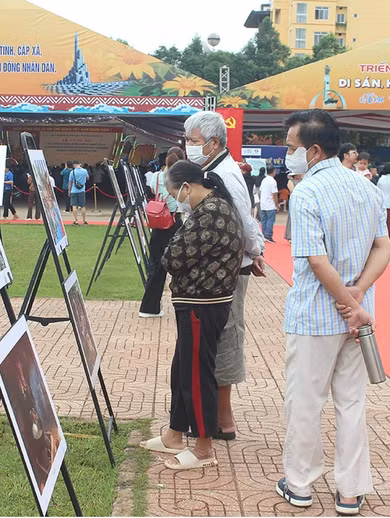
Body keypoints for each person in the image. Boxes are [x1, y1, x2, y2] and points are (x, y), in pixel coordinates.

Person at [277, 109, 390, 516]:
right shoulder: (366, 187)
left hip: (316, 317)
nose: (287, 154)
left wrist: (347, 301)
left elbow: (317, 262)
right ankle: (350, 491)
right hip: (357, 318)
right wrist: (358, 299)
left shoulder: (307, 191)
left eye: (291, 147)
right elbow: (383, 248)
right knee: (351, 402)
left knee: (305, 401)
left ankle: (301, 484)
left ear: (314, 150)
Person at [139, 159, 243, 470]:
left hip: (203, 303)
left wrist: (171, 251)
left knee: (197, 376)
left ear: (187, 186)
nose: (173, 199)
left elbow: (172, 256)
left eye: (174, 192)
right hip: (197, 301)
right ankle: (175, 434)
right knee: (183, 371)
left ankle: (203, 447)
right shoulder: (212, 208)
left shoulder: (211, 212)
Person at [182, 110, 265, 442]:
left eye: (193, 141)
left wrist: (255, 251)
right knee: (215, 338)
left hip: (226, 270)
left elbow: (243, 219)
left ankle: (223, 419)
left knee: (226, 336)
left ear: (213, 143)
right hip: (217, 268)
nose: (188, 146)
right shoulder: (211, 169)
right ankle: (213, 415)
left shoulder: (226, 175)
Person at [139, 147, 184, 318]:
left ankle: (149, 306)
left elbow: (152, 191)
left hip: (158, 222)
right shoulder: (181, 178)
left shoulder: (156, 176)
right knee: (180, 264)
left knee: (155, 266)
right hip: (174, 222)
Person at [259, 166, 278, 243]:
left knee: (264, 220)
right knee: (270, 220)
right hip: (270, 204)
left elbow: (260, 191)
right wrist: (276, 205)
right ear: (273, 171)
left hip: (263, 203)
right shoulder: (272, 181)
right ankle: (268, 235)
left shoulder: (264, 180)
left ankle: (263, 234)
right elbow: (274, 194)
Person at [283, 171, 304, 242]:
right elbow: (292, 190)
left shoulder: (303, 181)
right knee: (292, 217)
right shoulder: (290, 181)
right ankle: (290, 236)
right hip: (294, 199)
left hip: (302, 200)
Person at [69, 160, 89, 225]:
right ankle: (84, 220)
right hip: (82, 190)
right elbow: (87, 178)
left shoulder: (72, 172)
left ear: (74, 165)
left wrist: (69, 190)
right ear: (79, 164)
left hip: (74, 190)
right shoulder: (85, 171)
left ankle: (76, 220)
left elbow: (70, 181)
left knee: (74, 205)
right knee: (83, 206)